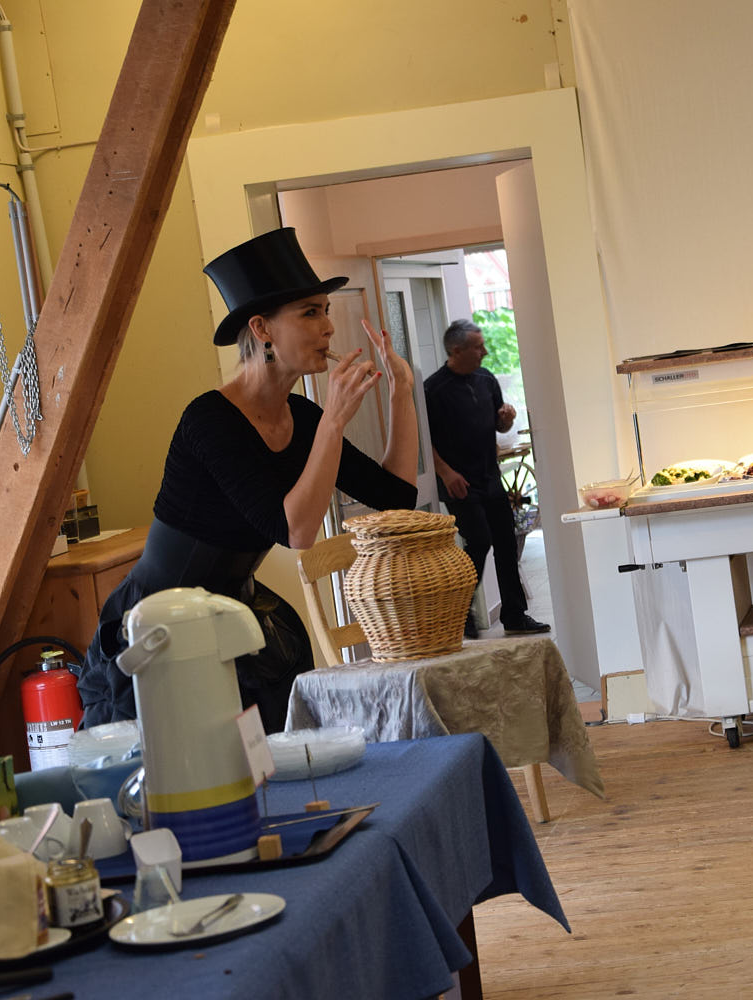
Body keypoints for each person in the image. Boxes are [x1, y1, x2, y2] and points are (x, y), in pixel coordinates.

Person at [77, 227, 419, 732]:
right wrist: (333, 422)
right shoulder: (209, 420)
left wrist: (401, 393)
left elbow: (398, 497)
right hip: (160, 626)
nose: (328, 327)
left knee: (266, 758)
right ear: (261, 329)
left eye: (326, 310)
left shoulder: (304, 418)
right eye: (310, 312)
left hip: (234, 616)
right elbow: (297, 531)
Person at [424, 319, 549, 638]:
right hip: (459, 483)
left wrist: (506, 419)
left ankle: (514, 615)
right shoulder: (432, 389)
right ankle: (460, 613)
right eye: (478, 347)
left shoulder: (486, 379)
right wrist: (445, 472)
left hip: (490, 476)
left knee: (506, 542)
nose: (485, 352)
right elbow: (423, 440)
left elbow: (499, 425)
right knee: (479, 541)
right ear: (456, 351)